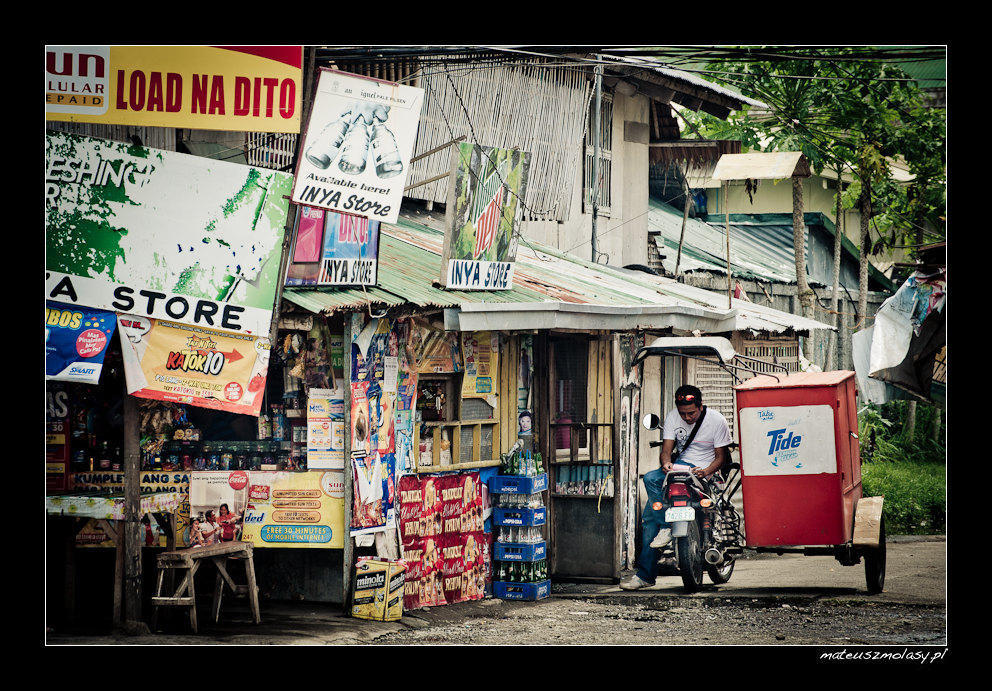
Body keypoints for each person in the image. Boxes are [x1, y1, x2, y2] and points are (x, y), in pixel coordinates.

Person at [621, 385, 732, 590]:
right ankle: (646, 573)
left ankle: (664, 526)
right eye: (683, 414)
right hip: (680, 470)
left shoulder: (717, 421)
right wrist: (665, 464)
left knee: (652, 516)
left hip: (707, 472)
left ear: (700, 406)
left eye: (691, 413)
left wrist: (706, 470)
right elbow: (666, 452)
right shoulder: (673, 417)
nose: (687, 418)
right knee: (650, 509)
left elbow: (721, 457)